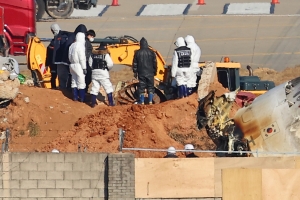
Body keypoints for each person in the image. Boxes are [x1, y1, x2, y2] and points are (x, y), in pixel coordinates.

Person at [132, 37, 157, 105]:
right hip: (150, 72)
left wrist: (135, 72)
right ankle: (150, 101)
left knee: (141, 87)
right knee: (150, 87)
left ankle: (142, 101)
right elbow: (155, 62)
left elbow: (135, 63)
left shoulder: (137, 53)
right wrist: (155, 71)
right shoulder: (151, 52)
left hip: (141, 73)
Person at [88, 43, 114, 107]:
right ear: (105, 46)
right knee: (108, 87)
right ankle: (111, 103)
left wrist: (94, 69)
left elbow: (90, 64)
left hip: (94, 72)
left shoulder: (92, 55)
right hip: (103, 72)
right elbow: (110, 64)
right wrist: (107, 69)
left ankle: (93, 103)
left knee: (95, 87)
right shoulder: (105, 55)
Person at [51, 23, 73, 89]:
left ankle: (63, 88)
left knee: (62, 76)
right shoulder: (65, 36)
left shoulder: (58, 38)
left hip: (60, 61)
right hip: (66, 60)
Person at [68, 32, 87, 102]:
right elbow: (82, 58)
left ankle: (75, 97)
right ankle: (82, 98)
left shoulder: (72, 45)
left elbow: (69, 55)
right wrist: (84, 67)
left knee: (74, 81)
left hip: (72, 64)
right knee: (81, 82)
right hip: (79, 65)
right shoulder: (81, 46)